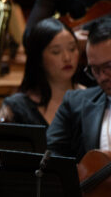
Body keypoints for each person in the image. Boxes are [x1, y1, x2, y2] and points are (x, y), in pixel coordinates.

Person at [48, 16, 111, 159]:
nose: (102, 77)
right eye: (94, 69)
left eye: (108, 67)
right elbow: (49, 156)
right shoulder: (75, 103)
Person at [0, 19, 81, 126]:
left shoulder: (93, 98)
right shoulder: (16, 107)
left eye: (72, 48)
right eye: (56, 52)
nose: (67, 58)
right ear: (39, 58)